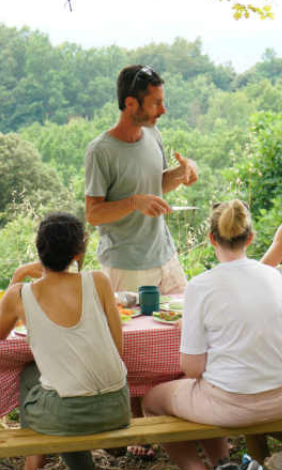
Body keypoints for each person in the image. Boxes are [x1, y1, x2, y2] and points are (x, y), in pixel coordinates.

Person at [142, 200, 282, 470]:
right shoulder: (274, 277)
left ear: (212, 239)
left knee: (151, 401)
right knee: (204, 392)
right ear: (250, 238)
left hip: (229, 406)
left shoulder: (201, 286)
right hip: (279, 400)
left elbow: (191, 369)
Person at [0, 212, 131, 470]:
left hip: (71, 414)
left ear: (39, 250)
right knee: (55, 387)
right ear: (78, 254)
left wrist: (18, 275)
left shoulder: (21, 294)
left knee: (43, 387)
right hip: (119, 405)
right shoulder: (98, 281)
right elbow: (116, 348)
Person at [84, 64, 199, 296]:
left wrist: (182, 172)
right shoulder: (100, 151)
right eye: (156, 103)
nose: (163, 110)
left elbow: (156, 186)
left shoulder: (152, 134)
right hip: (126, 267)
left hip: (165, 257)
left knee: (185, 324)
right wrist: (133, 202)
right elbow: (93, 213)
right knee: (135, 331)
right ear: (130, 104)